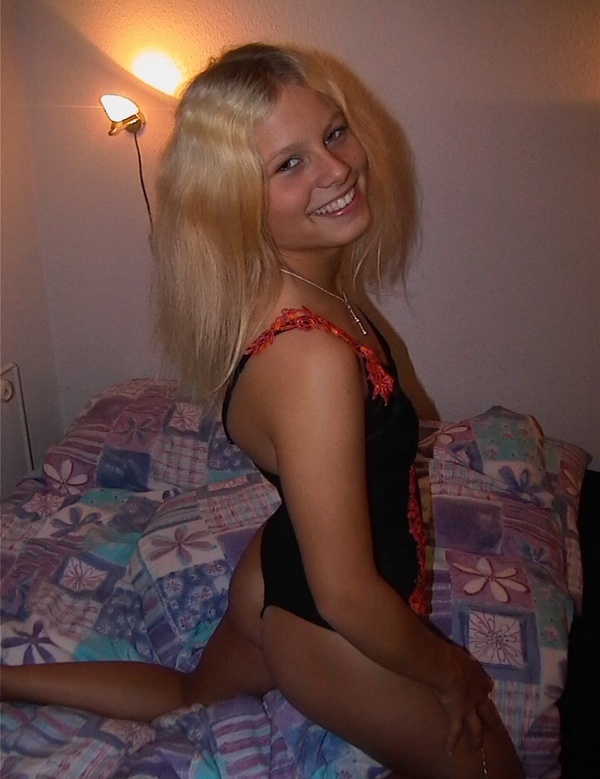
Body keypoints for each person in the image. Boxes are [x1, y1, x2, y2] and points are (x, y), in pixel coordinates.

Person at [1, 43, 524, 779]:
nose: (336, 169)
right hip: (331, 628)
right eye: (289, 164)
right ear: (233, 201)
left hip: (282, 561)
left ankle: (4, 678)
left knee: (188, 693)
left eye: (334, 133)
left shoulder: (293, 293)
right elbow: (346, 596)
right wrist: (453, 671)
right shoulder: (310, 359)